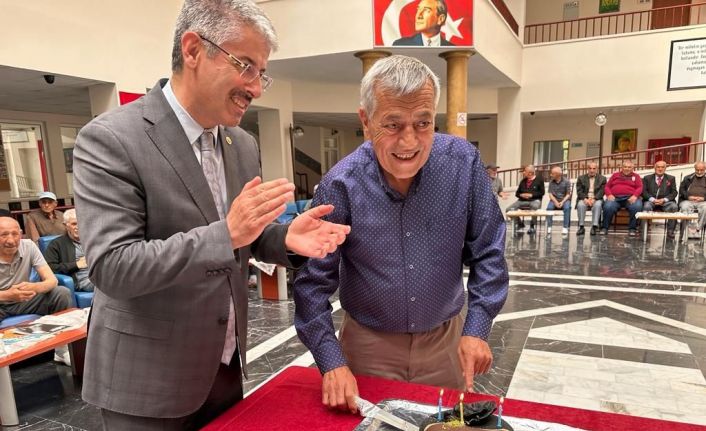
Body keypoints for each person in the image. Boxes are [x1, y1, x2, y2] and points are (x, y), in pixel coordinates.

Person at [72, 1, 351, 429]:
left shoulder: (241, 144)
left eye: (262, 73)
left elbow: (242, 235)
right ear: (193, 49)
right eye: (246, 66)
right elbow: (114, 266)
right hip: (147, 383)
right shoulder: (112, 139)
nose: (256, 89)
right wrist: (229, 233)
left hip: (223, 368)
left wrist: (284, 238)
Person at [294, 55, 508, 413]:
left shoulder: (462, 165)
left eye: (423, 123)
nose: (409, 141)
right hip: (367, 347)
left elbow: (488, 249)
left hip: (445, 343)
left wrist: (477, 326)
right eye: (392, 125)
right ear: (366, 121)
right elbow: (312, 283)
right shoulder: (340, 185)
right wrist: (332, 362)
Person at [0, 217, 72, 365]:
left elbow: (52, 280)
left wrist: (33, 287)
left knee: (61, 293)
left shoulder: (29, 246)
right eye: (4, 235)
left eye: (15, 234)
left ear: (21, 234)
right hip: (1, 303)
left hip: (26, 299)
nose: (11, 240)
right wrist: (8, 294)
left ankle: (61, 350)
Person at [43, 209, 95, 292]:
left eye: (80, 223)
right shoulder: (57, 244)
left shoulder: (93, 240)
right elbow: (50, 268)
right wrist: (76, 264)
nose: (78, 227)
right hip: (83, 281)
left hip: (101, 275)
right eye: (74, 224)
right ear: (65, 225)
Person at [601, 160, 643, 236]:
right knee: (608, 206)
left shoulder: (636, 176)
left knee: (637, 206)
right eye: (625, 167)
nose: (627, 169)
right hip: (615, 198)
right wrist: (609, 194)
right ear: (622, 167)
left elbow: (640, 187)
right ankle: (605, 228)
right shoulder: (615, 175)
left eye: (629, 167)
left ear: (632, 168)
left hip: (630, 198)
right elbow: (607, 187)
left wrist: (635, 196)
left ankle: (632, 229)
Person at [642, 161, 678, 239]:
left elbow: (674, 192)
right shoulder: (647, 178)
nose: (660, 169)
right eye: (658, 167)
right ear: (654, 168)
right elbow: (644, 192)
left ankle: (670, 231)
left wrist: (664, 199)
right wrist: (652, 200)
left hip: (665, 202)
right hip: (651, 201)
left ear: (665, 168)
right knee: (646, 206)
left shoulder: (671, 178)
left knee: (674, 207)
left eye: (662, 167)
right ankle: (644, 229)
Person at [505, 165, 545, 235]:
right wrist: (521, 195)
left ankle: (532, 226)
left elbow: (542, 193)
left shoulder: (539, 180)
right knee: (508, 210)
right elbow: (517, 193)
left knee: (535, 207)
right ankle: (520, 224)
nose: (523, 172)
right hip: (521, 200)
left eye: (525, 171)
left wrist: (531, 195)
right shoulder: (523, 181)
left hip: (534, 200)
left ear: (530, 173)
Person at [575, 161, 606, 236]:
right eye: (590, 168)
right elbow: (579, 191)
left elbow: (602, 191)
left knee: (598, 205)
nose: (592, 170)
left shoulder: (602, 178)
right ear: (587, 169)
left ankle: (594, 227)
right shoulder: (581, 178)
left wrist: (594, 199)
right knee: (580, 205)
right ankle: (581, 227)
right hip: (584, 198)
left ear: (597, 169)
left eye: (594, 168)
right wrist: (585, 199)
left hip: (596, 199)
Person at [678, 161, 706, 233]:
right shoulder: (688, 178)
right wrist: (688, 197)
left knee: (705, 208)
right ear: (694, 169)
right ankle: (688, 227)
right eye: (697, 170)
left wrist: (704, 198)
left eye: (701, 170)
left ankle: (698, 228)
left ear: (705, 169)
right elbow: (681, 190)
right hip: (688, 201)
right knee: (684, 207)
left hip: (703, 202)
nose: (699, 172)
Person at [545, 166, 572, 237]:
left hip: (564, 200)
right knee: (549, 208)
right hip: (554, 200)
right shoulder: (551, 182)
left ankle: (565, 227)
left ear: (557, 174)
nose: (551, 175)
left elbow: (568, 194)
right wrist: (556, 202)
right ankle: (549, 227)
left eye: (552, 173)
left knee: (567, 208)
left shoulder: (566, 181)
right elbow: (550, 194)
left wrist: (562, 202)